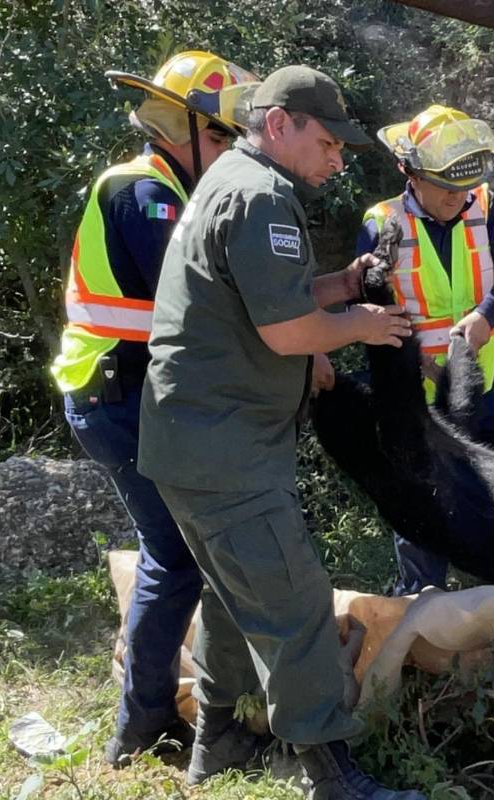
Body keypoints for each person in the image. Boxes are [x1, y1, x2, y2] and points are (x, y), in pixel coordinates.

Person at [137, 65, 424, 799]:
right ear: (279, 124)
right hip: (224, 446)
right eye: (327, 142)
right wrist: (365, 324)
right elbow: (290, 328)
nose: (336, 159)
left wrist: (349, 283)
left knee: (237, 599)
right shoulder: (262, 198)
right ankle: (331, 771)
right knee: (295, 600)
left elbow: (274, 296)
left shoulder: (233, 179)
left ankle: (220, 738)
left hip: (196, 442)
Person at [49, 50, 258, 768]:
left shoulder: (166, 187)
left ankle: (145, 721)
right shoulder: (145, 194)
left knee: (175, 556)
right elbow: (202, 294)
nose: (232, 151)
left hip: (123, 396)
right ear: (188, 127)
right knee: (174, 559)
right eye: (225, 136)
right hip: (117, 397)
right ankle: (139, 728)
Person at [359, 104, 494, 594]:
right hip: (415, 397)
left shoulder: (484, 206)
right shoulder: (384, 225)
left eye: (464, 186)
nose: (457, 197)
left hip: (482, 385)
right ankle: (422, 606)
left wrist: (488, 314)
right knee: (423, 506)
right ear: (411, 174)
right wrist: (412, 361)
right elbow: (369, 311)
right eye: (445, 186)